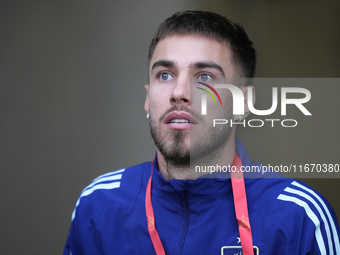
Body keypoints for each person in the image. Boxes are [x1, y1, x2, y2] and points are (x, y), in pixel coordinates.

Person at [64, 11, 340, 255]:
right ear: (148, 98)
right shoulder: (99, 205)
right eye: (164, 75)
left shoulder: (298, 216)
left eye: (205, 77)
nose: (179, 93)